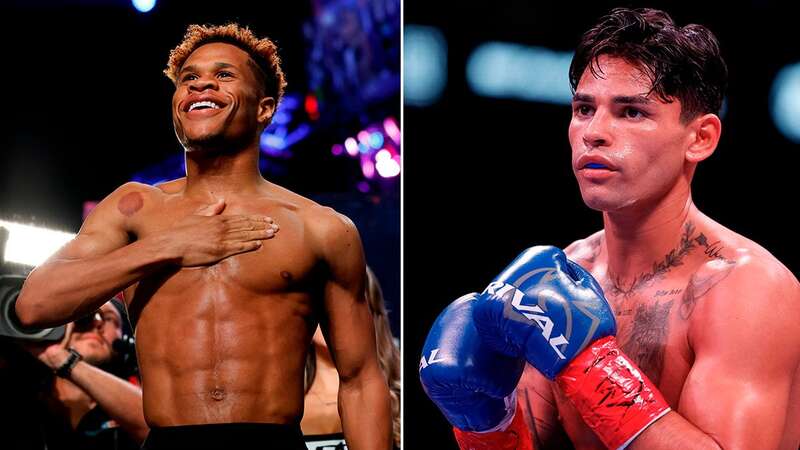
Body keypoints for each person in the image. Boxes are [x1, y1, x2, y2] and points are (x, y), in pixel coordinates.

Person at [420, 8, 800, 450]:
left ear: (700, 138)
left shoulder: (745, 289)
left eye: (632, 112)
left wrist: (592, 368)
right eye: (584, 108)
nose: (594, 132)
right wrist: (484, 424)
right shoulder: (563, 277)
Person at [15, 23, 391, 450]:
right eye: (188, 78)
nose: (201, 84)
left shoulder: (322, 227)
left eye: (224, 74)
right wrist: (167, 246)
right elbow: (33, 306)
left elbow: (361, 380)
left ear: (264, 108)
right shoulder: (133, 208)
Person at [2, 299, 146, 450]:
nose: (96, 322)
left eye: (109, 318)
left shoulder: (137, 401)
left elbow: (156, 427)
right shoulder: (17, 392)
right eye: (84, 315)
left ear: (125, 337)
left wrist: (64, 360)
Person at [302, 266, 400, 449]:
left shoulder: (401, 388)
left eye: (345, 307)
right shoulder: (279, 400)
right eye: (323, 305)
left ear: (370, 313)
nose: (333, 318)